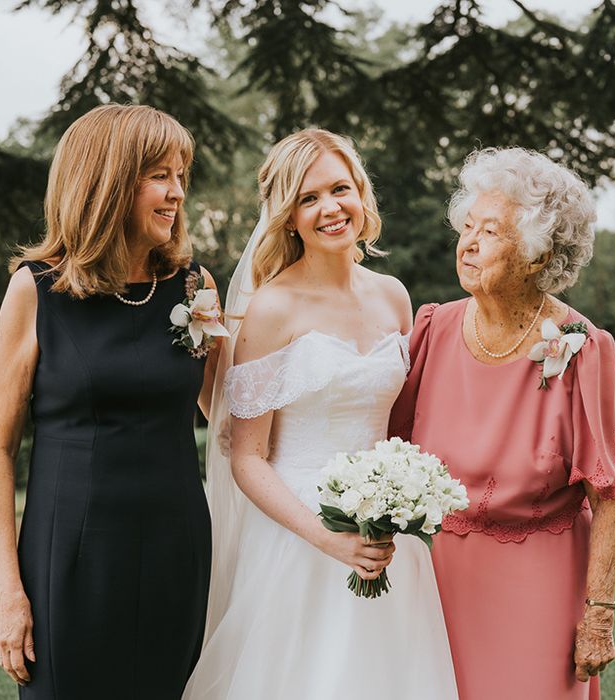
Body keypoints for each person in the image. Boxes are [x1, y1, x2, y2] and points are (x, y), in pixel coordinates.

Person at [184, 129, 459, 699]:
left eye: (340, 189)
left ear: (361, 193)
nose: (330, 208)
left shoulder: (393, 296)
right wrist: (329, 539)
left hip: (387, 529)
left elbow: (401, 426)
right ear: (287, 217)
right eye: (308, 198)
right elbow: (247, 457)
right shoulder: (272, 308)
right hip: (299, 535)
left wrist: (404, 503)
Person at [0, 104, 223, 699]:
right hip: (68, 555)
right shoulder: (35, 290)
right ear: (109, 182)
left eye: (180, 175)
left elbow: (230, 421)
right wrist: (10, 591)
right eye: (160, 176)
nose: (177, 193)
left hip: (176, 547)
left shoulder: (195, 287)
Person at [389, 146, 615, 700]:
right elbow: (389, 453)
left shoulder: (582, 349)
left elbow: (611, 494)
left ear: (537, 256)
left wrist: (598, 617)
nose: (468, 243)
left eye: (491, 233)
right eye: (466, 226)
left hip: (542, 583)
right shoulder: (432, 329)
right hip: (442, 585)